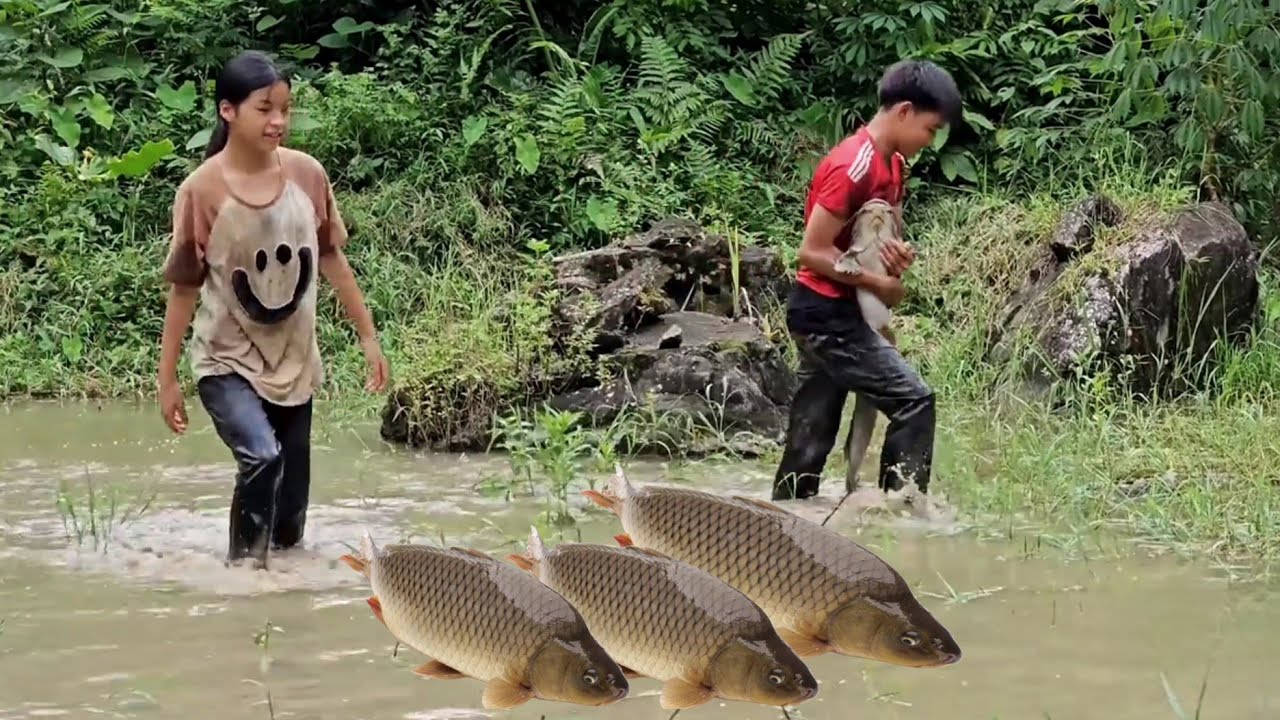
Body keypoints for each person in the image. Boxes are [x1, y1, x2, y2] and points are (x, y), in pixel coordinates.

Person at [156, 50, 390, 568]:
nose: (279, 120)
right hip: (225, 361)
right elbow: (184, 289)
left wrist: (369, 338)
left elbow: (332, 260)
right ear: (228, 111)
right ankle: (243, 577)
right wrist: (167, 375)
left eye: (285, 108)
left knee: (290, 517)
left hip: (294, 361)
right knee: (262, 458)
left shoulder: (307, 176)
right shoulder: (201, 190)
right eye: (265, 109)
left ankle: (279, 591)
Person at [771, 59, 962, 502]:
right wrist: (882, 287)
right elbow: (812, 251)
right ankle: (901, 515)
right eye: (930, 130)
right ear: (904, 112)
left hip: (828, 311)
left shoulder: (893, 167)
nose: (930, 142)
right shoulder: (852, 166)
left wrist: (895, 260)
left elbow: (867, 242)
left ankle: (785, 524)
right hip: (827, 314)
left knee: (810, 439)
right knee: (914, 402)